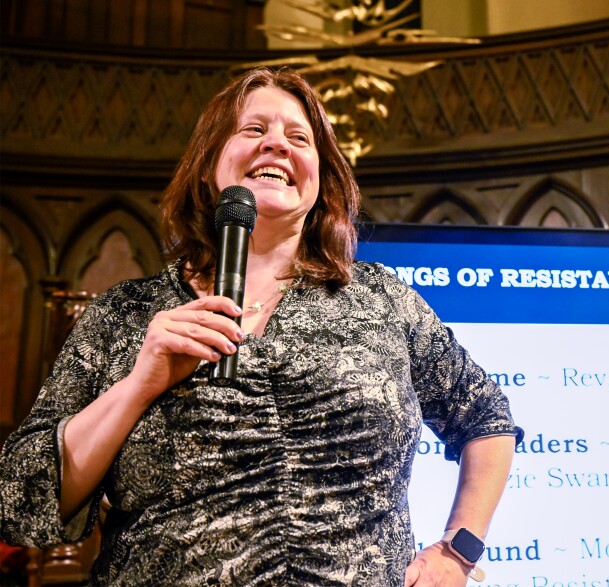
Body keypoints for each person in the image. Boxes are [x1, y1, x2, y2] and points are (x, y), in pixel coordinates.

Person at [0, 67, 522, 586]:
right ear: (208, 167)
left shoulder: (382, 299)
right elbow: (24, 499)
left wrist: (459, 551)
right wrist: (139, 385)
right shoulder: (128, 314)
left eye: (299, 137)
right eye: (253, 130)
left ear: (321, 178)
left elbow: (486, 417)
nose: (277, 144)